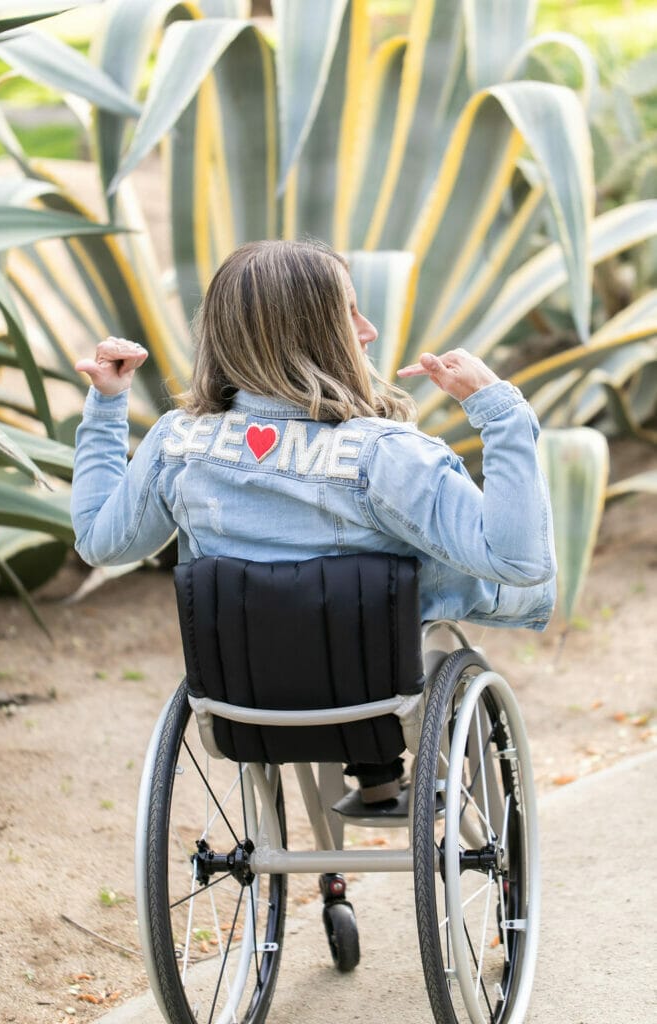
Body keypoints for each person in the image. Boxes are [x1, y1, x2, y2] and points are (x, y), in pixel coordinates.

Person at [71, 238, 556, 813]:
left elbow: (101, 542)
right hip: (374, 689)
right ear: (314, 336)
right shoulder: (388, 456)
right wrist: (497, 409)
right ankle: (382, 766)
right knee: (406, 605)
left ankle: (371, 779)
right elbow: (520, 561)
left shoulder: (178, 446)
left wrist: (107, 408)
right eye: (349, 312)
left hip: (243, 695)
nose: (368, 328)